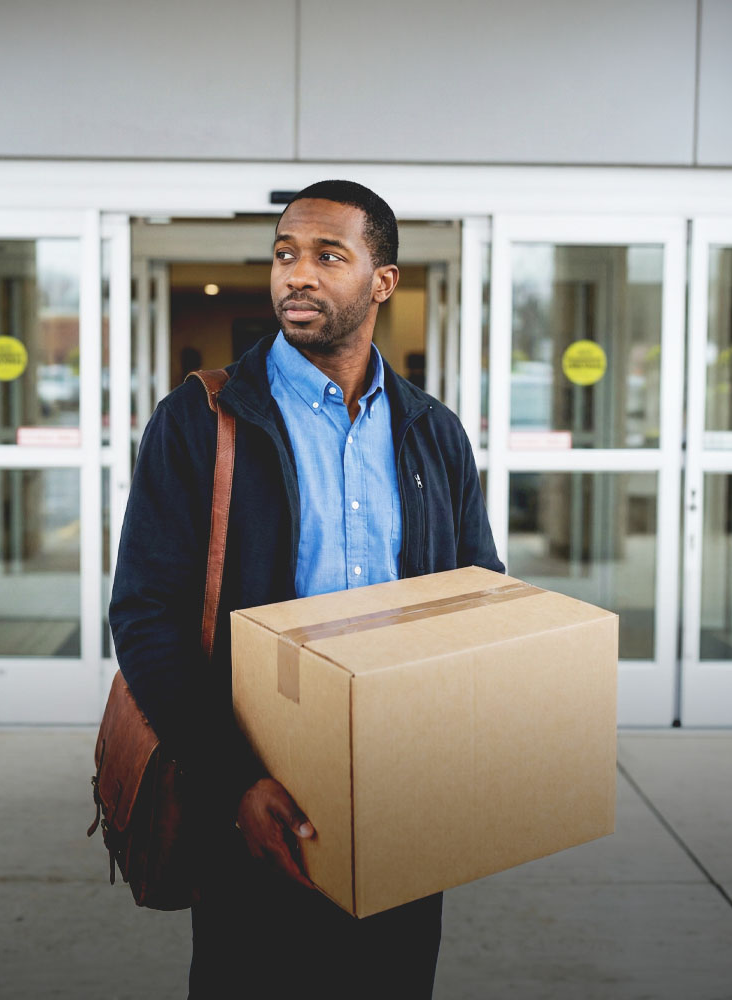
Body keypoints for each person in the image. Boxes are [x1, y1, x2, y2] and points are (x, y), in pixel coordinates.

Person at [109, 179, 504, 999]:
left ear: (382, 282)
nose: (298, 274)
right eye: (285, 254)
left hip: (401, 797)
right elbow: (147, 616)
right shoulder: (200, 420)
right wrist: (232, 782)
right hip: (250, 790)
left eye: (329, 255)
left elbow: (479, 599)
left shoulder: (433, 432)